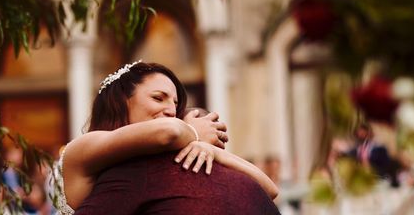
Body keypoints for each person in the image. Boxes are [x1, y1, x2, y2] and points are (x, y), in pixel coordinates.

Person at [55, 61, 279, 214]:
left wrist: (212, 151)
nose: (171, 110)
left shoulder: (151, 164)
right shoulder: (84, 147)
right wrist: (194, 132)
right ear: (122, 101)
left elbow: (270, 190)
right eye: (158, 98)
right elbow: (169, 132)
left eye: (174, 103)